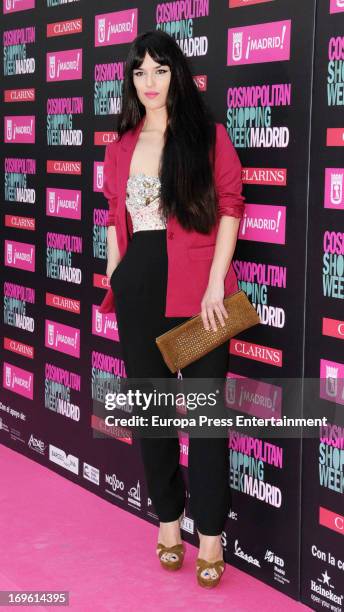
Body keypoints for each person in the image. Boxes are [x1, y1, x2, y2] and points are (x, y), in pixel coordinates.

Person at [101, 30, 245, 589]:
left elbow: (230, 207)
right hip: (139, 287)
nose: (150, 83)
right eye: (139, 73)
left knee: (206, 419)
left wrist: (216, 286)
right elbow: (115, 212)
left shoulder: (207, 137)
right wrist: (117, 271)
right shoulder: (120, 147)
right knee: (153, 416)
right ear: (131, 82)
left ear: (176, 75)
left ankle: (210, 534)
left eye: (160, 70)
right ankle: (168, 521)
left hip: (199, 292)